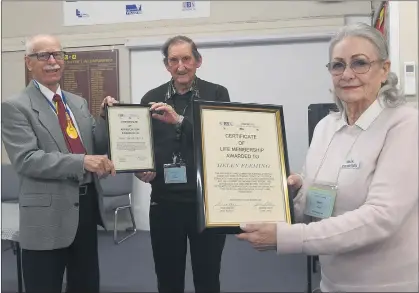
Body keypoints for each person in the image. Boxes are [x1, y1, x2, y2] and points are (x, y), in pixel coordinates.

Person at [237, 23, 418, 292]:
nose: (347, 74)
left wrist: (285, 237)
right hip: (331, 282)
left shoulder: (405, 124)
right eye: (337, 65)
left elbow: (381, 218)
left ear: (384, 69)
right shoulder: (326, 126)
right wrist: (297, 190)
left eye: (360, 63)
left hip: (386, 285)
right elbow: (315, 200)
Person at [1, 34, 118, 293]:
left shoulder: (78, 102)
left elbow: (93, 146)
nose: (53, 61)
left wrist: (107, 118)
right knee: (44, 286)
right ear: (28, 62)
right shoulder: (14, 107)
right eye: (44, 55)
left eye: (58, 55)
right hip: (47, 216)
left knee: (86, 285)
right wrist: (82, 162)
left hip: (85, 209)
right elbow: (27, 160)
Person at [135, 35, 230, 293]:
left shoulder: (217, 94)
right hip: (165, 203)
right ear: (166, 65)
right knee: (167, 278)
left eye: (186, 59)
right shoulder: (150, 98)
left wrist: (179, 122)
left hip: (206, 204)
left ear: (198, 61)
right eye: (173, 60)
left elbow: (220, 143)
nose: (180, 66)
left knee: (208, 277)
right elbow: (138, 145)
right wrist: (139, 167)